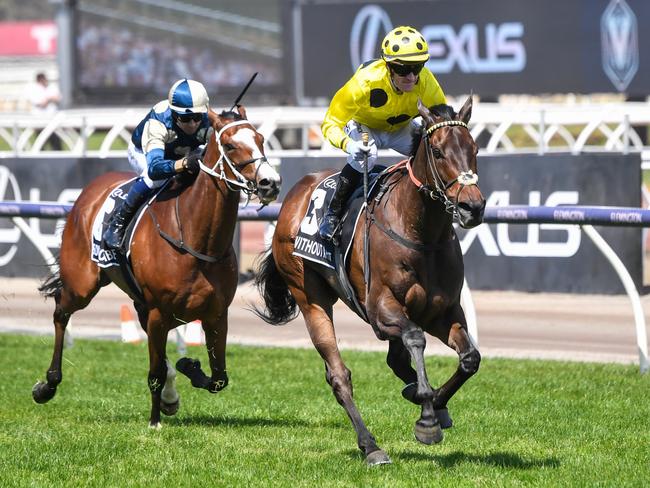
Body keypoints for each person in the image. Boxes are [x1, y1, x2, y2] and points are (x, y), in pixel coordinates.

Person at [318, 26, 447, 241]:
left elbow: (442, 123)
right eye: (403, 69)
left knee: (432, 151)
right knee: (368, 155)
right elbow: (330, 123)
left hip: (399, 129)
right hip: (364, 126)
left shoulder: (426, 82)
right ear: (389, 67)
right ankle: (332, 215)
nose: (412, 76)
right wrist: (348, 144)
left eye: (417, 67)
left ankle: (439, 209)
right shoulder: (363, 84)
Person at [103, 78, 211, 249]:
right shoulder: (159, 121)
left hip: (179, 153)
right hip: (142, 152)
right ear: (174, 114)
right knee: (156, 180)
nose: (192, 124)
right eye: (186, 118)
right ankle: (117, 224)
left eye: (197, 117)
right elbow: (155, 169)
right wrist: (183, 164)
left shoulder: (206, 117)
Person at [29, 72, 62, 150]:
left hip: (52, 120)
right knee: (40, 144)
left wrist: (48, 99)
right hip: (40, 120)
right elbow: (41, 104)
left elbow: (58, 98)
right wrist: (50, 99)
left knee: (56, 144)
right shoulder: (34, 89)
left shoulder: (52, 87)